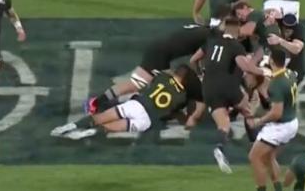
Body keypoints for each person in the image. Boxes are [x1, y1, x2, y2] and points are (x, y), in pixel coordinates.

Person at [83, 8, 230, 115]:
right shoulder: (212, 36)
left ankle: (99, 102)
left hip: (159, 49)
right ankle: (102, 104)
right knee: (148, 85)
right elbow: (198, 59)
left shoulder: (204, 29)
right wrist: (202, 73)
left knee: (146, 83)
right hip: (161, 54)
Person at [189, 17, 270, 174]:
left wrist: (200, 74)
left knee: (223, 124)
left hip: (208, 89)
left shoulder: (211, 42)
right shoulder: (235, 46)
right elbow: (244, 66)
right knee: (247, 111)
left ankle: (220, 147)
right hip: (228, 87)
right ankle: (257, 146)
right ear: (237, 30)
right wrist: (263, 71)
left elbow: (193, 60)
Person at [52, 64, 203, 140]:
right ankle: (89, 133)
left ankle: (70, 127)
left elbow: (154, 82)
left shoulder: (162, 77)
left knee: (100, 117)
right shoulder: (183, 97)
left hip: (138, 105)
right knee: (111, 128)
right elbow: (174, 114)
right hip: (147, 120)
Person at [245, 49, 299, 191]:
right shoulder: (290, 74)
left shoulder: (277, 83)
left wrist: (259, 121)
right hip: (291, 122)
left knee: (254, 157)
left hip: (280, 126)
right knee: (268, 157)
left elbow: (276, 113)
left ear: (272, 61)